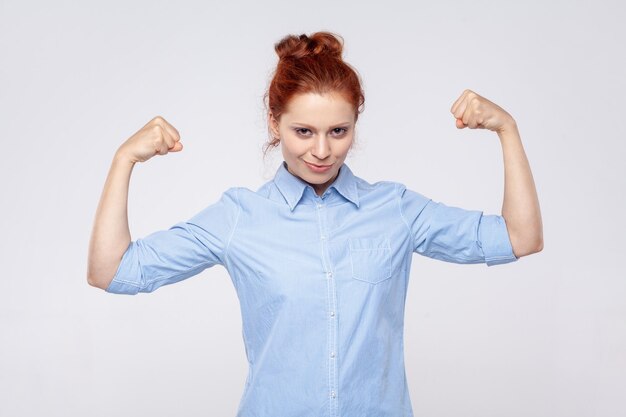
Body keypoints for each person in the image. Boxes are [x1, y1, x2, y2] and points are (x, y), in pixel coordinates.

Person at [87, 31, 543, 417]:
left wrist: (508, 129)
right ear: (274, 122)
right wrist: (123, 159)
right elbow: (114, 272)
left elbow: (519, 237)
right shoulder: (239, 217)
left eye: (338, 132)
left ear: (354, 123)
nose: (322, 151)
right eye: (303, 131)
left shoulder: (395, 209)